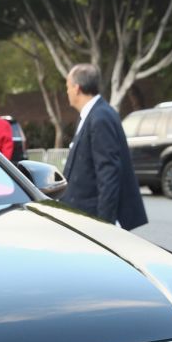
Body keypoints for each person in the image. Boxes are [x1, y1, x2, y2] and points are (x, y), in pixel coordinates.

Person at [60, 63, 147, 230]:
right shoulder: (91, 115)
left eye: (68, 87)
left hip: (93, 218)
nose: (67, 92)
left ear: (77, 88)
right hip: (83, 215)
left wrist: (104, 226)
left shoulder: (100, 118)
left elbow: (108, 174)